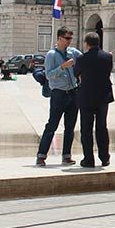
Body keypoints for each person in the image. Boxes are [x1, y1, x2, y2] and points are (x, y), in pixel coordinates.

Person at [35, 27, 82, 167]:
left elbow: (85, 59)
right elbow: (48, 75)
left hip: (73, 92)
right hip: (59, 94)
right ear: (59, 38)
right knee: (52, 125)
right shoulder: (51, 55)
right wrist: (62, 67)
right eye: (67, 38)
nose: (69, 41)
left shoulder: (73, 52)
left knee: (70, 127)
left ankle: (66, 156)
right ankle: (41, 155)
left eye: (71, 39)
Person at [73, 32, 114, 168]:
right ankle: (105, 158)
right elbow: (107, 72)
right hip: (103, 96)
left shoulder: (81, 58)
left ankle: (88, 159)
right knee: (102, 127)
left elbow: (76, 73)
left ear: (86, 43)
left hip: (87, 96)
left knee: (86, 129)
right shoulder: (108, 57)